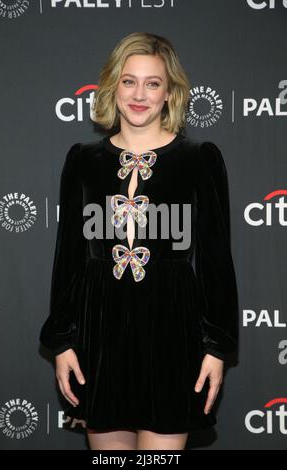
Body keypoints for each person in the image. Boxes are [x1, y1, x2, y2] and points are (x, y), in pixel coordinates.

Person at [39, 32, 239, 450]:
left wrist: (217, 348)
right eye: (129, 81)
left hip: (172, 334)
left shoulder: (199, 159)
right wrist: (61, 341)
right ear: (113, 86)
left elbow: (217, 262)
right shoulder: (83, 160)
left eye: (153, 83)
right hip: (100, 333)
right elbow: (69, 258)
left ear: (170, 93)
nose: (139, 94)